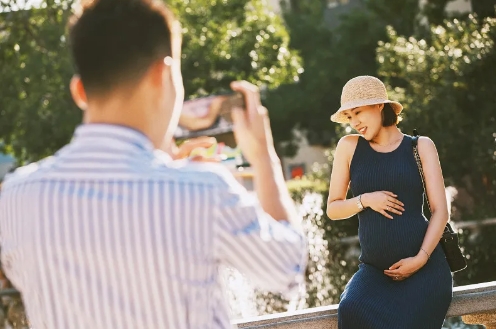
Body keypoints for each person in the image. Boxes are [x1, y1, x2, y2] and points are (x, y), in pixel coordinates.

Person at [0, 1, 307, 328]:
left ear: (79, 91)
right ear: (163, 75)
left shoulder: (15, 200)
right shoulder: (204, 193)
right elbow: (287, 270)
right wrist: (263, 156)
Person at [326, 76, 453, 329]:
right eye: (349, 117)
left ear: (379, 106)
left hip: (425, 270)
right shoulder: (348, 147)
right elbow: (333, 209)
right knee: (351, 309)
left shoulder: (420, 146)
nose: (354, 123)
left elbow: (441, 211)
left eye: (358, 112)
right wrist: (365, 200)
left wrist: (420, 258)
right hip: (374, 271)